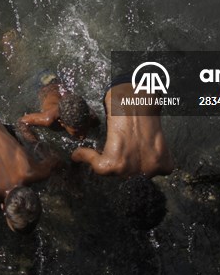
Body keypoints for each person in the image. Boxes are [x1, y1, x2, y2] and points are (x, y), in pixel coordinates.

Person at [70, 77, 174, 229]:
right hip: (115, 88)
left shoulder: (165, 165)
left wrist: (74, 172)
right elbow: (78, 153)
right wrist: (74, 175)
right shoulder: (107, 166)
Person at [19, 71, 99, 139]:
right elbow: (22, 121)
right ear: (62, 123)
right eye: (76, 132)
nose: (83, 136)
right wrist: (37, 146)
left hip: (58, 84)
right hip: (40, 85)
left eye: (85, 128)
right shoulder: (48, 119)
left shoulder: (90, 116)